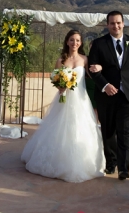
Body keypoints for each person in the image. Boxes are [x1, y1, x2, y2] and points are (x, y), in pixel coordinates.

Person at [22, 29, 105, 183]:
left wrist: (100, 68)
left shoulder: (84, 59)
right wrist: (60, 86)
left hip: (80, 100)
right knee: (58, 127)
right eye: (72, 40)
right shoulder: (61, 60)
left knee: (79, 128)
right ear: (67, 41)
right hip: (64, 99)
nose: (75, 43)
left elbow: (93, 75)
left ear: (81, 43)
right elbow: (55, 77)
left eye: (78, 40)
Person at [88, 11, 129, 181]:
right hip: (106, 96)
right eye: (112, 23)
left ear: (123, 23)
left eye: (119, 23)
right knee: (108, 131)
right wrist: (105, 85)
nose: (116, 26)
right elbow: (92, 70)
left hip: (127, 95)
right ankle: (110, 162)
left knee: (124, 131)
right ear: (107, 25)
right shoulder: (99, 44)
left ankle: (124, 168)